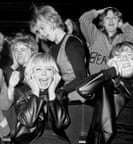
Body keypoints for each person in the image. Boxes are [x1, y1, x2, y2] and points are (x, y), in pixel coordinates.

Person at [30, 5, 88, 144]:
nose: (42, 34)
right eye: (39, 31)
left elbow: (82, 77)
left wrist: (61, 90)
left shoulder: (72, 43)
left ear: (52, 21)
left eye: (42, 28)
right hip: (63, 99)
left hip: (78, 101)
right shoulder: (53, 47)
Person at [77, 41, 133, 144]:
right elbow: (83, 89)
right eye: (118, 57)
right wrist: (109, 72)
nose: (124, 59)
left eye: (129, 55)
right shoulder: (107, 86)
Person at [11, 52, 70, 144]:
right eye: (38, 69)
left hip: (56, 139)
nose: (44, 73)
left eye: (49, 69)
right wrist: (35, 92)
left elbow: (60, 124)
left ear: (54, 74)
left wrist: (52, 94)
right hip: (28, 140)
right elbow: (28, 122)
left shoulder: (60, 93)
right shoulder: (20, 91)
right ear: (31, 73)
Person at [79, 7, 133, 75]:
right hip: (96, 80)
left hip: (116, 80)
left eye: (114, 18)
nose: (111, 20)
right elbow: (83, 19)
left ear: (119, 21)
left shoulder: (123, 39)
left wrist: (123, 25)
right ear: (103, 23)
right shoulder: (94, 35)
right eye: (107, 18)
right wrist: (101, 11)